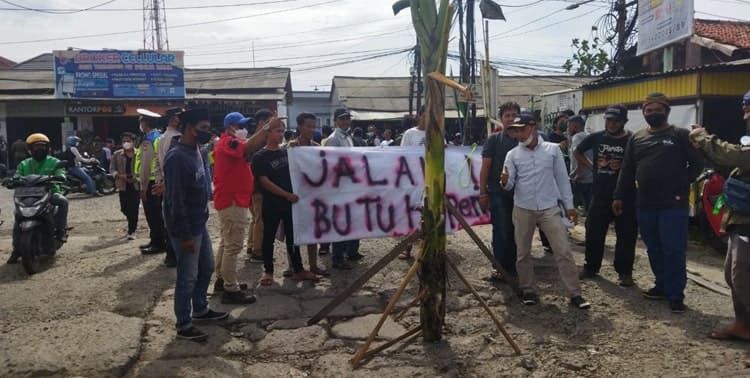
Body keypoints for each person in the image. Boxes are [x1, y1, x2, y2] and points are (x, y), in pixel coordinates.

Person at [613, 93, 704, 313]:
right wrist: (618, 196)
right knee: (654, 248)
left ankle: (675, 295)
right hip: (645, 203)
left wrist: (681, 183)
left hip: (673, 204)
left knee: (673, 249)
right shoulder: (637, 138)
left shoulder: (680, 135)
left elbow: (697, 164)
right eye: (649, 110)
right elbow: (627, 170)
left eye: (658, 109)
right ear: (644, 113)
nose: (653, 113)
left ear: (667, 110)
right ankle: (661, 285)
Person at [501, 113, 590, 309]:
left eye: (522, 129)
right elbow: (510, 184)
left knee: (563, 250)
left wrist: (569, 206)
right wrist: (505, 181)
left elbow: (562, 179)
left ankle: (575, 293)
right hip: (523, 207)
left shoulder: (552, 150)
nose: (519, 134)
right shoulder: (512, 155)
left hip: (549, 207)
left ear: (533, 127)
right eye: (516, 131)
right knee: (523, 252)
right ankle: (528, 289)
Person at [163, 108, 230, 342]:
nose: (207, 133)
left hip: (199, 221)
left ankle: (200, 309)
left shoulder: (198, 150)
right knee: (187, 276)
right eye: (202, 129)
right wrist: (185, 236)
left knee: (207, 267)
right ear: (189, 128)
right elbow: (175, 201)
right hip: (185, 227)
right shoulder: (177, 157)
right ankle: (184, 324)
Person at [690, 90, 750, 343]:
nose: (746, 115)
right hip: (741, 218)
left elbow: (736, 156)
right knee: (732, 273)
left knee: (742, 273)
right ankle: (743, 324)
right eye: (745, 109)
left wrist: (704, 138)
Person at [252, 116, 320, 286]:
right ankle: (268, 271)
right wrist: (285, 194)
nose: (281, 134)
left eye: (282, 131)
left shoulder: (287, 152)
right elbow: (264, 181)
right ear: (268, 133)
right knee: (268, 238)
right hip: (272, 203)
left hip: (290, 203)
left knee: (293, 236)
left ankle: (298, 269)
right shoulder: (260, 156)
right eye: (277, 131)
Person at [574, 104, 637, 287]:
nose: (611, 124)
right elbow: (577, 152)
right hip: (600, 194)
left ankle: (624, 272)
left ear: (624, 121)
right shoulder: (597, 137)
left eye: (616, 120)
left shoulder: (632, 140)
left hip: (626, 196)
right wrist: (590, 165)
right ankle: (591, 267)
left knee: (626, 235)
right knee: (594, 232)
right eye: (609, 120)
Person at [214, 111, 269, 304]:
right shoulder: (229, 142)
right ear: (230, 127)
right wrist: (267, 128)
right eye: (240, 126)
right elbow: (251, 145)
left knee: (226, 242)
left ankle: (223, 279)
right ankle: (230, 289)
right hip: (232, 200)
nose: (244, 129)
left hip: (233, 199)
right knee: (234, 246)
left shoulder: (230, 142)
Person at [7, 133, 69, 264]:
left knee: (63, 201)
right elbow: (17, 176)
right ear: (30, 149)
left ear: (47, 148)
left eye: (42, 146)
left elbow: (61, 173)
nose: (39, 149)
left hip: (50, 193)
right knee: (18, 217)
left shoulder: (54, 162)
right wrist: (12, 181)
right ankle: (16, 249)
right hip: (26, 195)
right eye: (36, 147)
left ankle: (61, 230)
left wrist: (60, 177)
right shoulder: (24, 164)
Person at [479, 102, 520, 281]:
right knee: (502, 229)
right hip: (498, 192)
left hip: (523, 193)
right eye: (507, 116)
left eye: (514, 115)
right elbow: (485, 168)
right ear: (501, 119)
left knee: (519, 230)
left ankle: (515, 264)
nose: (511, 119)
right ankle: (501, 267)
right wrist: (483, 193)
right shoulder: (494, 140)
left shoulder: (527, 139)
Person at [287, 112, 329, 276]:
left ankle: (313, 265)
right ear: (299, 126)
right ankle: (293, 266)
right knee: (294, 231)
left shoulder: (317, 148)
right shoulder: (290, 147)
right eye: (308, 126)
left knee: (313, 232)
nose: (312, 129)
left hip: (312, 196)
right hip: (294, 196)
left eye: (314, 126)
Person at [324, 108, 363, 269]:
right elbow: (332, 165)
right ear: (335, 121)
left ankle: (351, 252)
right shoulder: (333, 139)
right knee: (341, 221)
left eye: (347, 119)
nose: (346, 121)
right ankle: (338, 257)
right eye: (342, 119)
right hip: (340, 186)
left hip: (351, 184)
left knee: (353, 219)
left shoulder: (348, 137)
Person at [153, 107, 184, 267]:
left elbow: (157, 163)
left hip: (166, 183)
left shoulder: (162, 137)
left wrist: (159, 181)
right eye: (180, 117)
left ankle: (170, 255)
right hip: (175, 184)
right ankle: (175, 255)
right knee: (179, 219)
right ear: (173, 120)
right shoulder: (178, 138)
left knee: (169, 219)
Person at [135, 109, 168, 256]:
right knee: (156, 214)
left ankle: (158, 243)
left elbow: (145, 166)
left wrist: (142, 187)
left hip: (150, 182)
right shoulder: (157, 137)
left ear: (144, 123)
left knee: (153, 214)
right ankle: (155, 240)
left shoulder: (149, 139)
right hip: (155, 181)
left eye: (141, 122)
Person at [247, 109, 274, 262]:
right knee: (261, 219)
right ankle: (258, 250)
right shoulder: (259, 141)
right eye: (270, 121)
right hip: (259, 186)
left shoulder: (252, 139)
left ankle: (252, 245)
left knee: (255, 218)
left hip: (252, 186)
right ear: (262, 122)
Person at [110, 132, 140, 240]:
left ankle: (132, 230)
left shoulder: (139, 154)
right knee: (124, 208)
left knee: (134, 208)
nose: (126, 143)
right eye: (124, 141)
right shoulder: (117, 154)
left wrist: (136, 177)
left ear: (134, 142)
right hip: (123, 186)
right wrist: (118, 175)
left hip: (136, 185)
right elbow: (112, 169)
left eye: (128, 141)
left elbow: (144, 168)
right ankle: (131, 220)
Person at [568, 115, 593, 214]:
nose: (567, 129)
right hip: (589, 177)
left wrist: (578, 172)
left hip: (580, 177)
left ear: (574, 126)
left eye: (568, 126)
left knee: (570, 206)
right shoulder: (588, 135)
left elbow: (578, 153)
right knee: (588, 206)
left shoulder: (577, 137)